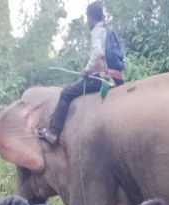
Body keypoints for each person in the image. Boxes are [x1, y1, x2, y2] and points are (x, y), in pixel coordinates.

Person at [38, 1, 124, 145]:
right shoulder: (108, 32)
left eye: (87, 18)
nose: (87, 21)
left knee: (66, 93)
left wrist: (86, 70)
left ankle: (53, 132)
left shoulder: (96, 31)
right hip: (118, 78)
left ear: (90, 17)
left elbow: (97, 53)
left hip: (104, 78)